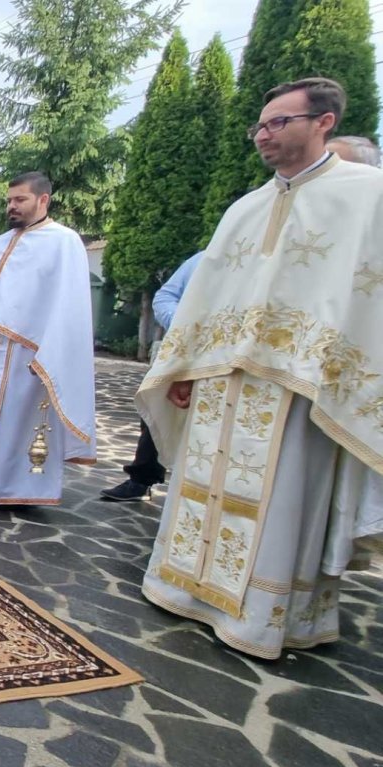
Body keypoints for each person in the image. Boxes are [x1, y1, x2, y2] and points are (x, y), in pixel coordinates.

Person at [138, 77, 383, 659]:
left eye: (279, 122)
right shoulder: (244, 208)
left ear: (323, 122)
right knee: (205, 485)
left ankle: (263, 614)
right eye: (260, 125)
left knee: (281, 498)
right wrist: (188, 369)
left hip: (301, 385)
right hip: (223, 381)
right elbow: (210, 299)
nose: (263, 135)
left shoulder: (368, 195)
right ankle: (187, 589)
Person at [0, 172, 96, 505]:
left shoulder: (64, 242)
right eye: (9, 200)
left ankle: (16, 489)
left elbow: (67, 306)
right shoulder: (0, 242)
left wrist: (50, 352)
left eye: (20, 200)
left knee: (17, 423)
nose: (12, 206)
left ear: (43, 200)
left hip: (28, 352)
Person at [100, 251, 202, 502]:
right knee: (156, 410)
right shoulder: (206, 259)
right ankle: (141, 479)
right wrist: (186, 326)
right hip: (186, 350)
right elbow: (166, 296)